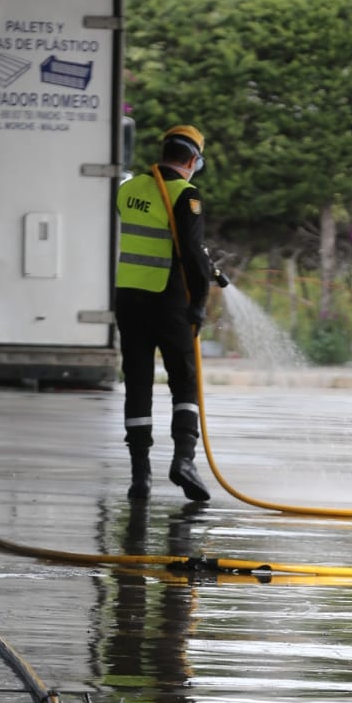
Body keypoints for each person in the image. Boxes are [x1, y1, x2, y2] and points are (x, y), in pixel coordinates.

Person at [114, 123, 225, 506]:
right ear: (193, 160)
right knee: (184, 380)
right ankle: (184, 460)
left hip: (129, 299)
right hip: (168, 300)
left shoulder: (127, 191)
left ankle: (139, 476)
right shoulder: (185, 194)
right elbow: (192, 255)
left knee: (138, 383)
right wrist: (200, 304)